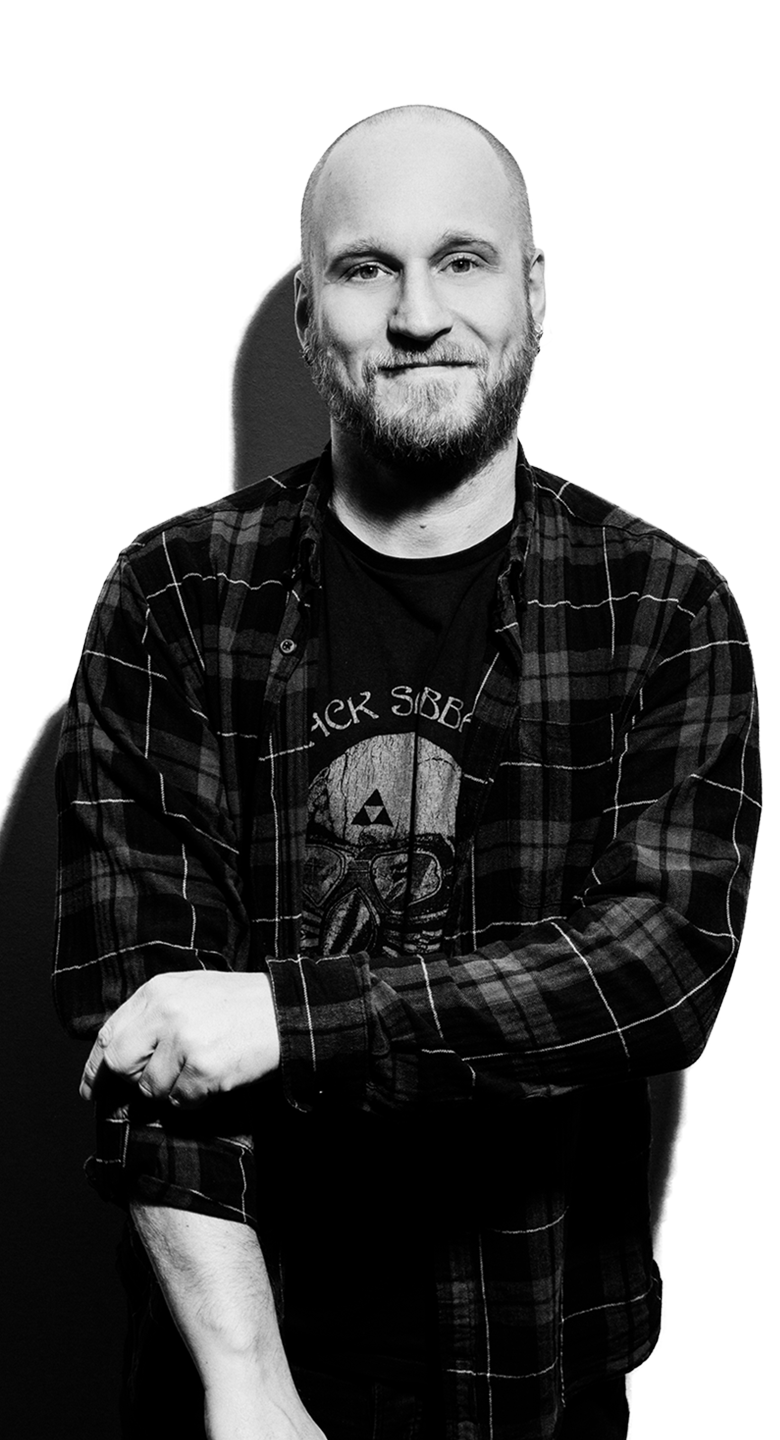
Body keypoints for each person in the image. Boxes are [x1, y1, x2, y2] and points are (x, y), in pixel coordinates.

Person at [53, 105, 761, 1440]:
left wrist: (294, 1016)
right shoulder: (176, 597)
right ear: (310, 315)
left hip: (539, 1376)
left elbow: (656, 967)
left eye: (462, 261)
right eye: (367, 267)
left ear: (533, 294)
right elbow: (136, 1018)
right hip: (242, 1365)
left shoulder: (661, 609)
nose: (419, 315)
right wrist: (246, 1379)